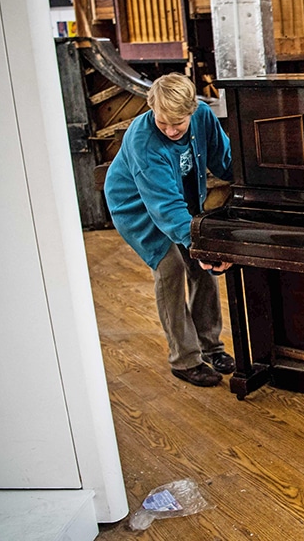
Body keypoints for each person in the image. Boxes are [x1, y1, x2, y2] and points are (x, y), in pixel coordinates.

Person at [104, 73, 236, 387]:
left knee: (202, 269)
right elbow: (164, 207)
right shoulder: (143, 139)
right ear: (152, 111)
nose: (171, 130)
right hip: (136, 205)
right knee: (172, 268)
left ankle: (211, 345)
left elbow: (225, 160)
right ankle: (185, 359)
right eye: (164, 123)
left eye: (179, 122)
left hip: (178, 198)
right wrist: (197, 244)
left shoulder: (203, 116)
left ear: (193, 110)